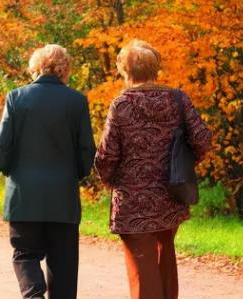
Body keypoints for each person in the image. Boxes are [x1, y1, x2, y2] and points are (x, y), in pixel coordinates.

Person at [94, 39, 212, 299]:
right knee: (164, 258)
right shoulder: (178, 99)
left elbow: (107, 154)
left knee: (142, 269)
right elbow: (203, 139)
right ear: (155, 68)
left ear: (125, 71)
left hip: (134, 202)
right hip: (172, 195)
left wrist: (106, 178)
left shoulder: (122, 104)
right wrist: (185, 165)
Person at [0, 44, 96, 299]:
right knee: (64, 263)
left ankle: (33, 294)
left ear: (36, 67)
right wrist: (77, 174)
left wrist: (4, 167)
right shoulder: (77, 101)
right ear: (65, 68)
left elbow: (0, 145)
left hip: (24, 195)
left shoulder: (16, 98)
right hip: (63, 196)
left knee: (25, 254)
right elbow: (86, 149)